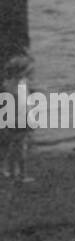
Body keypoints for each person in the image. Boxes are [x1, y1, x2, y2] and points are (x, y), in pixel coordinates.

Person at [1, 54, 35, 184]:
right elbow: (24, 105)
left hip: (10, 119)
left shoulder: (8, 84)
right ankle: (22, 175)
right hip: (20, 120)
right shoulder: (21, 85)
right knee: (21, 147)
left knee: (11, 145)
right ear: (22, 72)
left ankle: (9, 171)